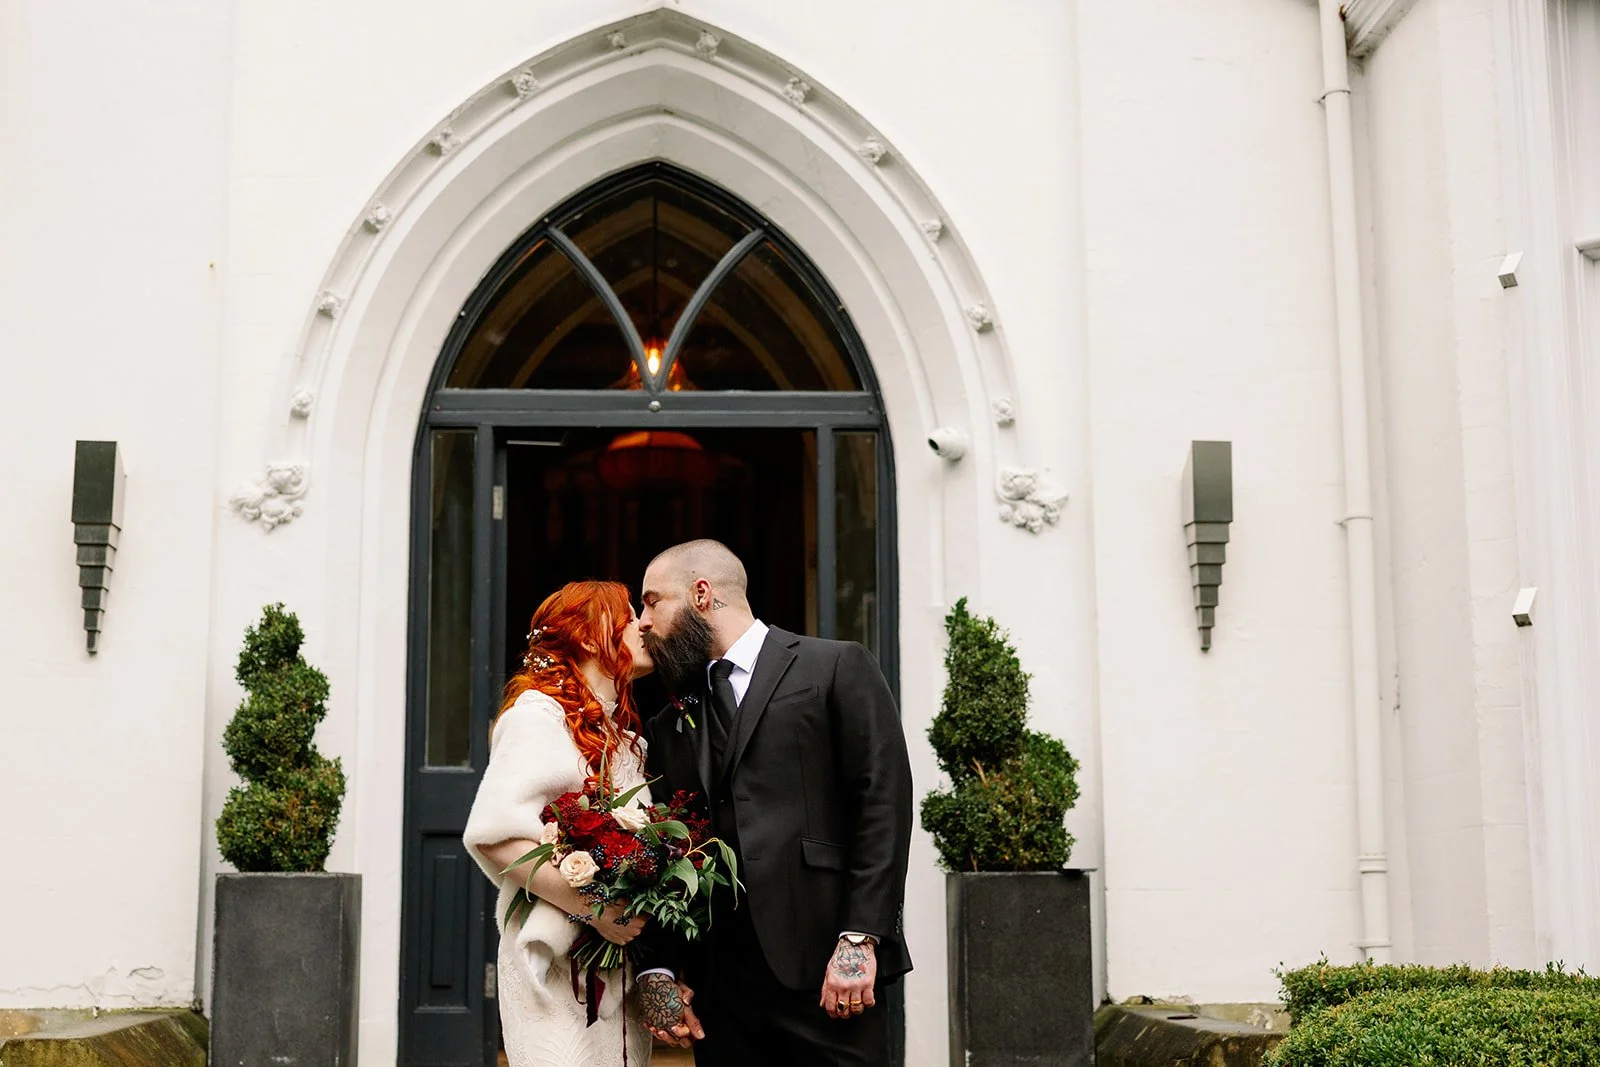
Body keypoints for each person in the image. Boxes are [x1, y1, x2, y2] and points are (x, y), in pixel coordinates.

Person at [634, 540, 914, 1066]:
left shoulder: (834, 666)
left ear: (701, 594)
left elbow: (883, 802)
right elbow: (665, 849)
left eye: (652, 601)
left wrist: (860, 938)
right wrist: (659, 971)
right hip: (721, 984)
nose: (643, 621)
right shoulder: (669, 721)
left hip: (827, 968)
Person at [462, 579, 686, 1066]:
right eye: (626, 616)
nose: (642, 625)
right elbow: (495, 838)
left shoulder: (626, 740)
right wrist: (595, 911)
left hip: (615, 974)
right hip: (555, 972)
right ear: (588, 637)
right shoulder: (538, 716)